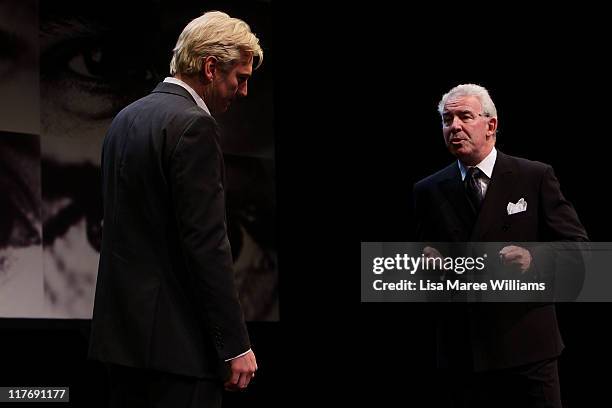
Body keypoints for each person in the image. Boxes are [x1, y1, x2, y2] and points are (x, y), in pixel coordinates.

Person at [88, 11, 261, 407]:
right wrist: (234, 345)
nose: (244, 91)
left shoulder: (123, 121)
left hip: (121, 346)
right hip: (177, 352)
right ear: (211, 67)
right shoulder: (193, 125)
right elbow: (206, 244)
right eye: (241, 77)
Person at [413, 83, 588, 407]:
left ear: (490, 124)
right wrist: (423, 264)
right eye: (447, 119)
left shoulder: (533, 176)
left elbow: (578, 250)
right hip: (463, 355)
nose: (455, 127)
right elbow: (420, 268)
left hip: (528, 353)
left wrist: (534, 260)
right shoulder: (428, 190)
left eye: (465, 116)